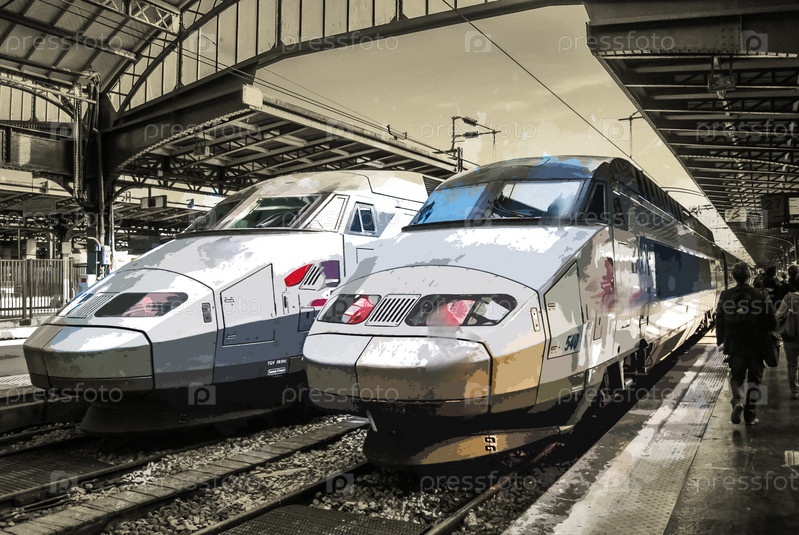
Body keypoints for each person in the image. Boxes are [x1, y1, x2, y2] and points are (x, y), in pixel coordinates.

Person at [716, 262, 777, 425]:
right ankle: (750, 415)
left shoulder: (725, 295)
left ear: (733, 277)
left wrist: (720, 340)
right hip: (756, 345)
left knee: (736, 377)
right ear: (749, 276)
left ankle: (737, 401)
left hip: (735, 345)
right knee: (754, 380)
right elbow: (772, 321)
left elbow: (719, 319)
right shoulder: (760, 294)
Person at [777, 274, 799, 399]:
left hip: (791, 336)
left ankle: (794, 389)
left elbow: (779, 315)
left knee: (792, 364)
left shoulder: (789, 298)